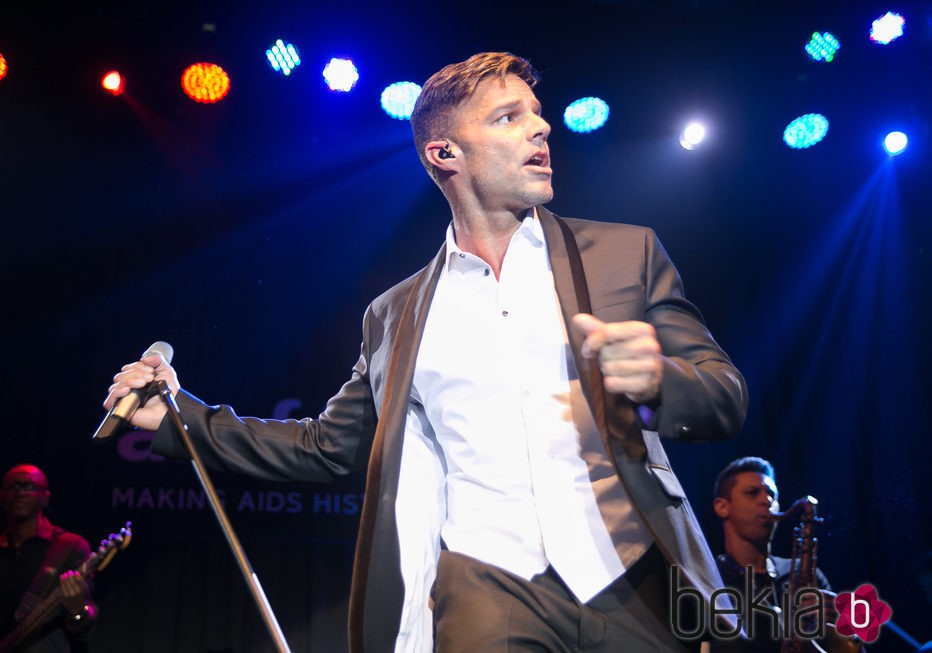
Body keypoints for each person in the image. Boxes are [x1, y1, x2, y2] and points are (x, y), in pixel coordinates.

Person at [105, 52, 748, 652]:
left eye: (537, 114)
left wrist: (661, 380)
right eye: (509, 117)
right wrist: (180, 420)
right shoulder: (394, 315)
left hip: (632, 575)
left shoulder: (624, 255)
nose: (541, 128)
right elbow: (328, 446)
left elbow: (724, 397)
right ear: (445, 152)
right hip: (487, 585)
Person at [710, 456, 860, 652]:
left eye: (772, 495)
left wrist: (842, 628)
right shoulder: (709, 579)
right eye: (752, 493)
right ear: (722, 506)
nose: (767, 500)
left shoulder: (803, 574)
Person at [0, 464, 97, 653]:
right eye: (13, 486)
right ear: (1, 496)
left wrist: (78, 610)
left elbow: (84, 621)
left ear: (45, 497)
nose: (20, 492)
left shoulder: (69, 547)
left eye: (29, 486)